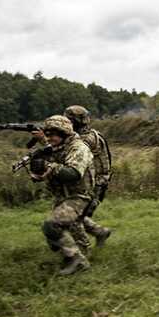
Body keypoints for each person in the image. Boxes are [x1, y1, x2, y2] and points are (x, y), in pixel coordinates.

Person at [29, 115, 95, 275]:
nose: (49, 138)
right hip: (62, 196)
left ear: (64, 134)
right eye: (47, 135)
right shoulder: (57, 147)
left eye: (53, 135)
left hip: (79, 196)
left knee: (51, 226)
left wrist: (49, 166)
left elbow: (72, 174)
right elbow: (51, 167)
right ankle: (77, 254)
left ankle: (78, 261)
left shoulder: (79, 148)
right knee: (58, 239)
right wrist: (39, 172)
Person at [63, 105, 113, 247]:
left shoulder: (87, 138)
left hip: (95, 185)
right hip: (90, 182)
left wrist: (46, 139)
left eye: (68, 121)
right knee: (74, 215)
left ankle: (81, 251)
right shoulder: (82, 135)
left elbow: (67, 152)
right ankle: (100, 232)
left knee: (73, 217)